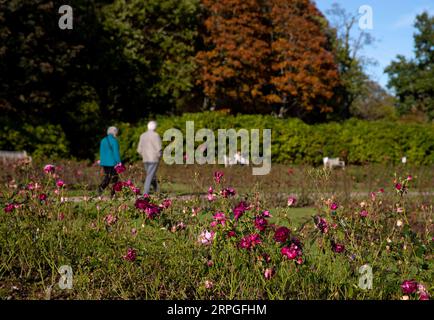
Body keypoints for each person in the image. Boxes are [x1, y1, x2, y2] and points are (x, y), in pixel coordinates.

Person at [137, 121, 162, 194]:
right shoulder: (156, 135)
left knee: (151, 175)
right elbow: (159, 148)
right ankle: (145, 193)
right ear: (155, 127)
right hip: (153, 159)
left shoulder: (142, 135)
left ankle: (157, 191)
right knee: (150, 175)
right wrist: (159, 156)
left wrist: (143, 155)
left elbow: (139, 149)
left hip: (145, 159)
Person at [98, 126, 121, 196]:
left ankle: (101, 188)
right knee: (114, 178)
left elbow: (102, 152)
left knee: (107, 177)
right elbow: (116, 153)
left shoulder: (103, 140)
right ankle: (112, 193)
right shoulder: (114, 141)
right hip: (112, 163)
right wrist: (119, 163)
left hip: (104, 162)